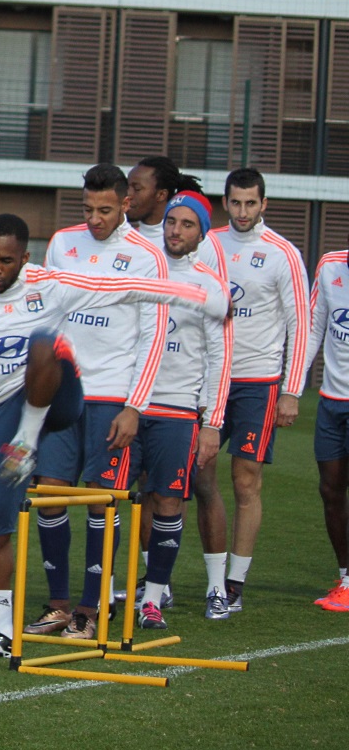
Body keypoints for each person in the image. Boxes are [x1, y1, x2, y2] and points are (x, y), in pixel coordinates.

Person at [0, 213, 226, 658]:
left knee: (46, 343)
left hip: (64, 395)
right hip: (4, 409)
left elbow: (124, 290)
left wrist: (196, 295)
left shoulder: (52, 283)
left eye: (5, 260)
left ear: (25, 258)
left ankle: (28, 441)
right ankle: (2, 634)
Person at [30, 163, 169, 640]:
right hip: (62, 395)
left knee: (101, 503)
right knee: (49, 494)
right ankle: (58, 605)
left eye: (105, 210)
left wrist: (135, 406)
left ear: (126, 203)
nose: (95, 219)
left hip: (114, 398)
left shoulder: (148, 256)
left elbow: (153, 339)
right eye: (87, 209)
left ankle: (93, 609)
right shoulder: (62, 243)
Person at [197, 168, 309, 613]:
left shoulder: (282, 253)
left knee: (246, 479)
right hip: (209, 379)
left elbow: (300, 324)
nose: (243, 211)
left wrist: (292, 389)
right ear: (225, 203)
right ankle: (210, 577)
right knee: (199, 473)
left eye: (251, 203)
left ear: (264, 204)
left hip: (258, 382)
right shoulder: (209, 244)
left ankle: (235, 583)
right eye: (236, 202)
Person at [129, 192, 232, 627]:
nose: (176, 231)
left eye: (188, 225)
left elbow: (219, 359)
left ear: (202, 233)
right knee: (117, 498)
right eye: (173, 222)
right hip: (130, 405)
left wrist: (212, 424)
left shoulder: (210, 285)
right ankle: (106, 591)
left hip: (177, 408)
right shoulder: (140, 269)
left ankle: (154, 598)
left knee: (169, 500)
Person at [305, 238, 349, 613]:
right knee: (331, 490)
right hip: (331, 402)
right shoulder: (331, 266)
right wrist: (293, 387)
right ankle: (346, 576)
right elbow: (313, 328)